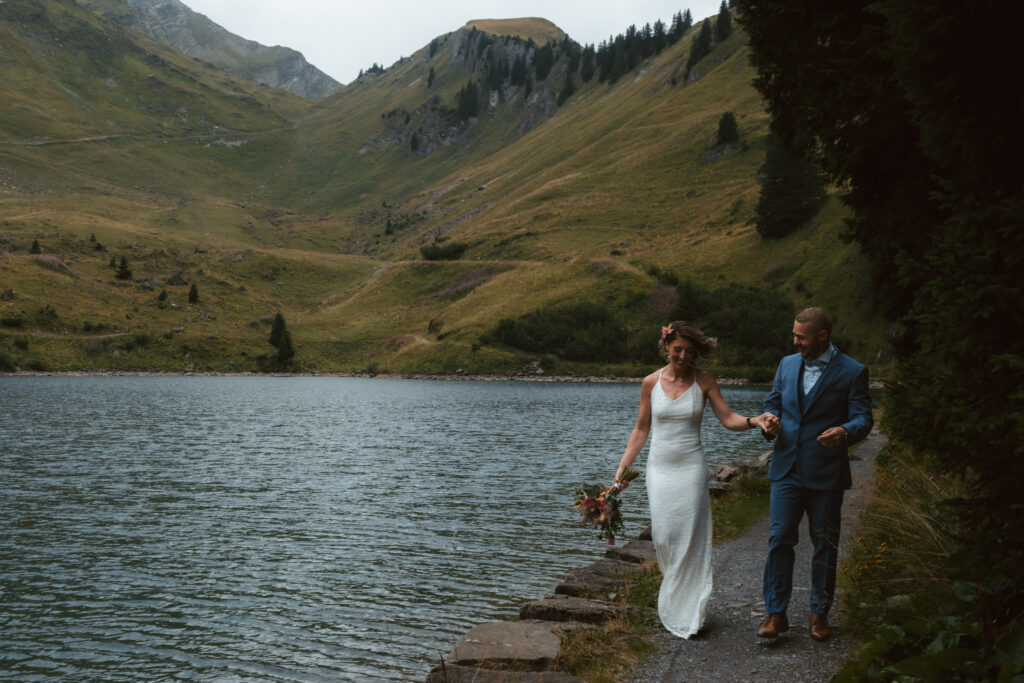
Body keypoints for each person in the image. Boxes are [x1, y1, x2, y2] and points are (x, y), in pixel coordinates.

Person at [614, 321, 776, 638]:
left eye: (689, 351)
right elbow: (641, 430)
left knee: (690, 537)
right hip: (659, 469)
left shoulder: (704, 382)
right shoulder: (650, 382)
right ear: (666, 347)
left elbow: (728, 419)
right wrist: (622, 471)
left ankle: (689, 609)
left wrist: (755, 420)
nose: (683, 356)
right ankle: (676, 597)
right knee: (663, 535)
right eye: (677, 350)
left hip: (690, 469)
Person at [757, 306, 873, 641]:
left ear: (823, 336)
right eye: (794, 335)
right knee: (780, 539)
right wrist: (769, 421)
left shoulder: (853, 371)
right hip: (786, 469)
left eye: (800, 337)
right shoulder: (786, 364)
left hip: (826, 472)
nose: (794, 342)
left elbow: (863, 418)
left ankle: (819, 614)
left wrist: (846, 432)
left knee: (824, 543)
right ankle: (775, 614)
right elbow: (773, 403)